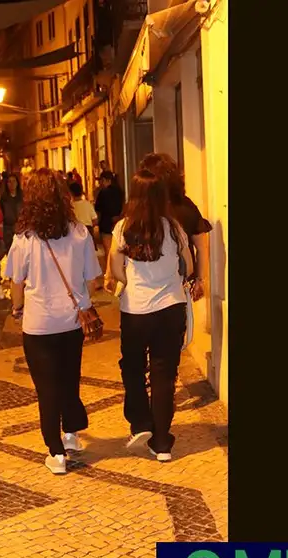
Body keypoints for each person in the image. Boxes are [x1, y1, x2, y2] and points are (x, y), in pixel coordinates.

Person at [6, 168, 104, 475]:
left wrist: (17, 308)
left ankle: (56, 452)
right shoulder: (79, 233)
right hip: (71, 323)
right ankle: (72, 434)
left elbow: (16, 282)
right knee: (68, 379)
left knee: (47, 388)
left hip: (38, 325)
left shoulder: (24, 238)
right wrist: (83, 304)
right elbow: (94, 281)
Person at [108, 169, 194, 462]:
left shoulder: (123, 228)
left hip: (136, 310)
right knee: (164, 374)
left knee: (132, 367)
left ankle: (141, 423)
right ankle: (162, 443)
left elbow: (116, 270)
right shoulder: (173, 227)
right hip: (170, 308)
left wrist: (132, 281)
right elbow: (190, 267)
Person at [139, 153, 211, 301]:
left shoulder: (141, 209)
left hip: (145, 286)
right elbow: (202, 247)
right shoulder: (186, 205)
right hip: (179, 284)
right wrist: (199, 280)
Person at [94, 170, 124, 283]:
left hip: (106, 224)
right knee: (118, 249)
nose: (101, 183)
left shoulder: (103, 192)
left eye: (102, 180)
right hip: (117, 222)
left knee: (108, 249)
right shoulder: (120, 191)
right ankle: (118, 271)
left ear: (107, 180)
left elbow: (98, 208)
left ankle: (109, 273)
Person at [0, 173, 23, 257]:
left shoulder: (22, 197)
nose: (12, 184)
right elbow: (1, 213)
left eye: (14, 181)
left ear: (17, 183)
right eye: (9, 182)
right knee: (10, 251)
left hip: (21, 227)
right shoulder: (4, 198)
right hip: (8, 228)